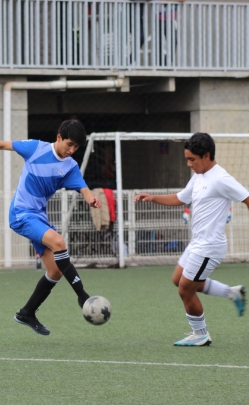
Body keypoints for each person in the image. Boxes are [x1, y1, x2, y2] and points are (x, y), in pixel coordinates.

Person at [134, 132, 249, 346]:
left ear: (206, 156)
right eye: (187, 159)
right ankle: (232, 293)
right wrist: (152, 197)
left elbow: (247, 197)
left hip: (209, 247)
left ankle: (201, 334)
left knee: (185, 289)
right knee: (178, 279)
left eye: (191, 159)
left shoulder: (221, 178)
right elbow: (181, 198)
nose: (188, 164)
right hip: (197, 244)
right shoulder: (198, 175)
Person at [0, 118, 101, 336]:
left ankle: (26, 313)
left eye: (76, 147)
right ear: (58, 138)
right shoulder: (35, 148)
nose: (71, 150)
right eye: (69, 144)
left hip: (39, 217)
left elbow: (83, 189)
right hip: (21, 214)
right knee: (59, 242)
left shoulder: (70, 166)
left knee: (55, 270)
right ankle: (83, 296)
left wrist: (90, 198)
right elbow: (4, 144)